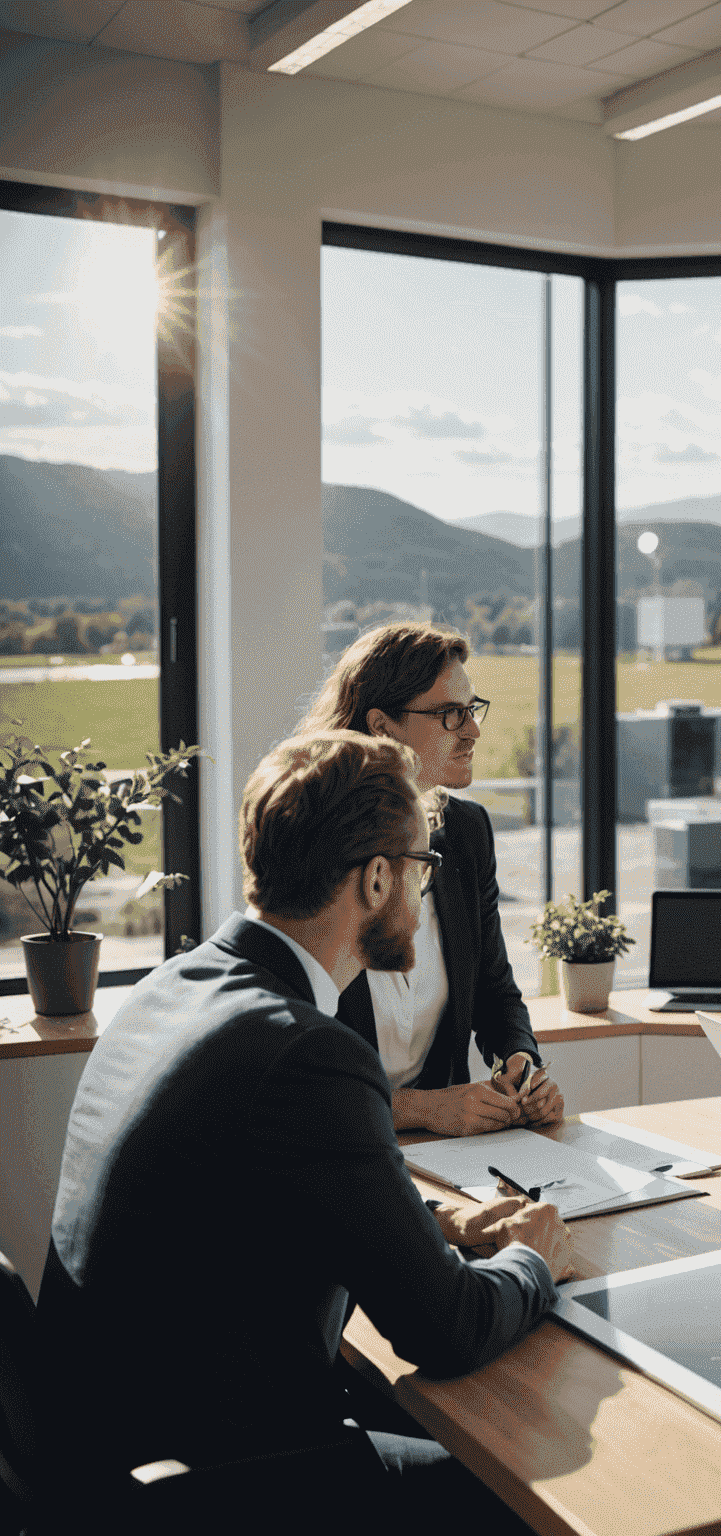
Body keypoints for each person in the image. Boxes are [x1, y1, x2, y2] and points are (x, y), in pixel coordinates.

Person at [38, 731, 576, 1522]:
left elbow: (262, 1192)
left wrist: (442, 1224)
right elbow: (448, 1329)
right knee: (535, 1481)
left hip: (103, 1452)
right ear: (379, 877)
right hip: (213, 1481)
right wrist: (534, 1260)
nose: (427, 895)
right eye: (424, 868)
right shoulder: (309, 1053)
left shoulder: (174, 985)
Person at [300, 620, 563, 1138]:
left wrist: (520, 1063)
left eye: (471, 709)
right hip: (340, 1146)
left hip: (453, 1156)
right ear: (382, 726)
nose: (473, 730)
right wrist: (418, 1109)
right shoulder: (314, 852)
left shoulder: (465, 833)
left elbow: (494, 991)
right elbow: (298, 1076)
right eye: (450, 714)